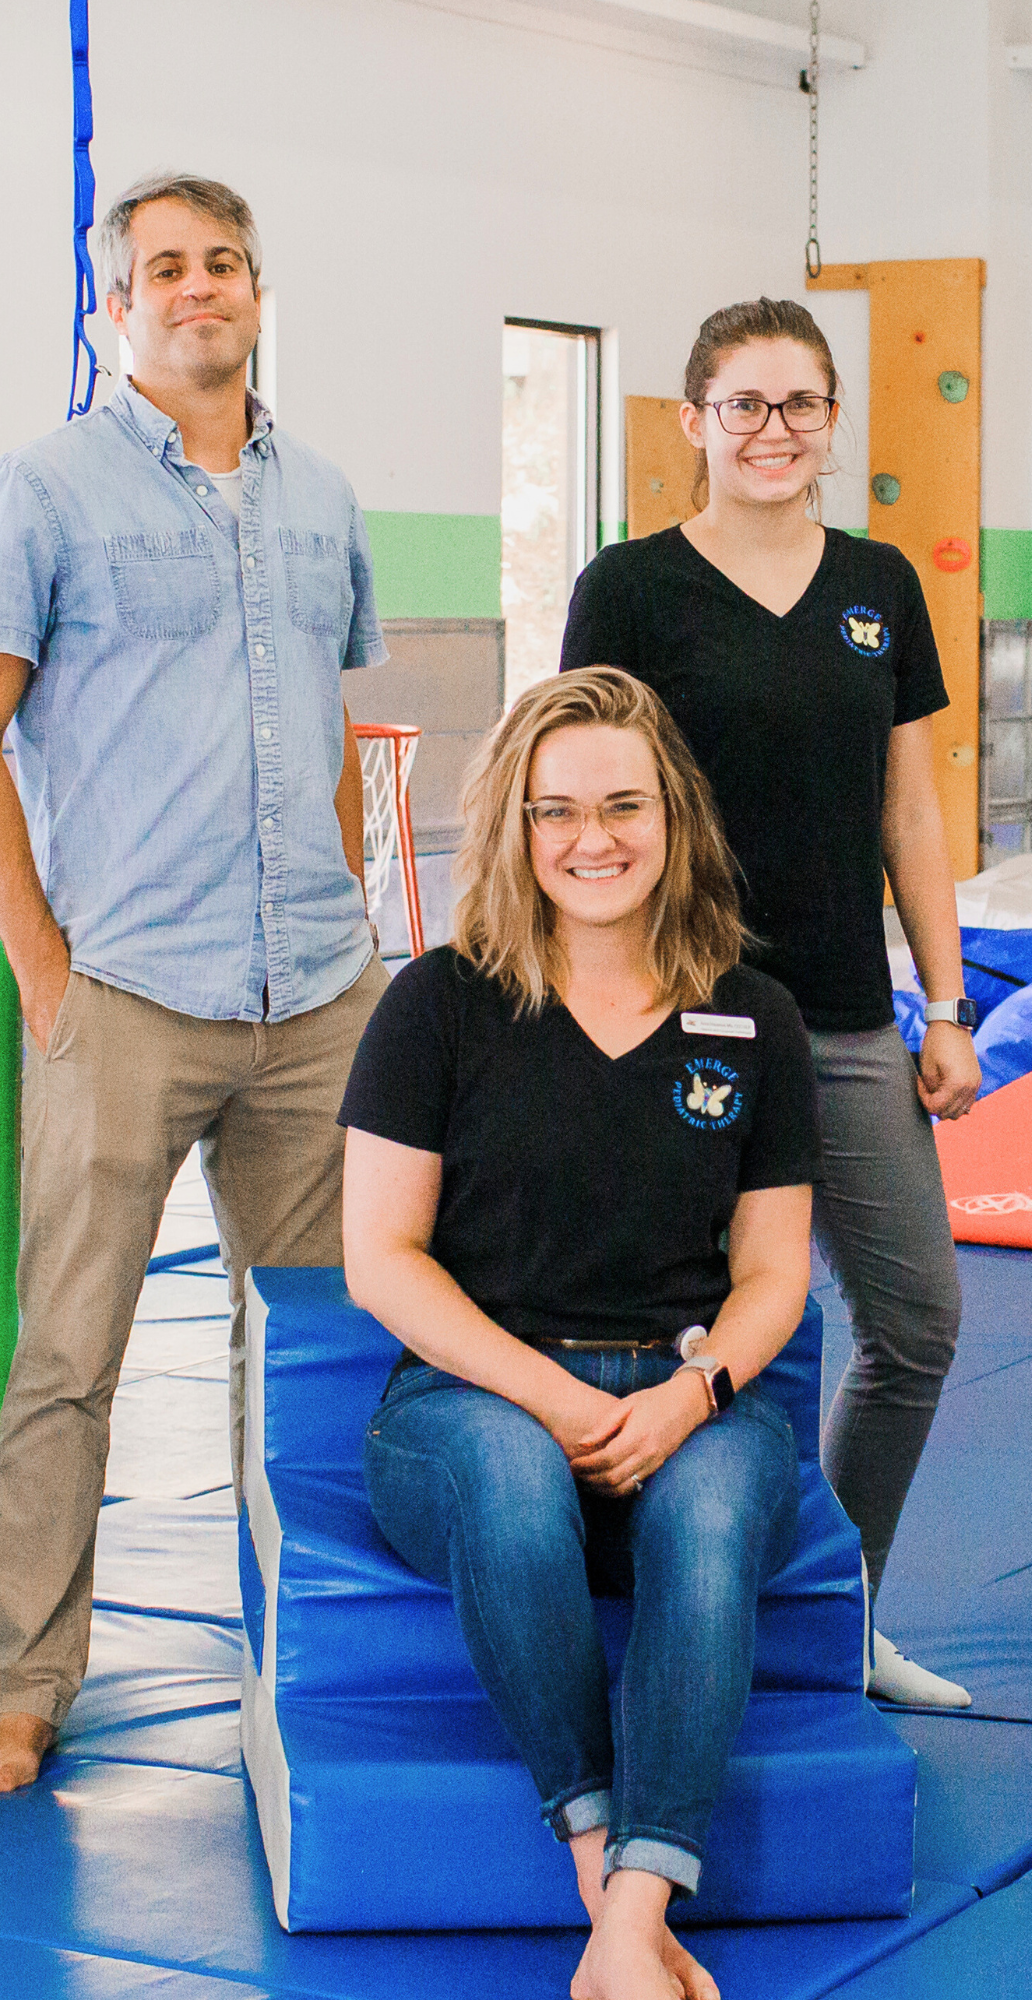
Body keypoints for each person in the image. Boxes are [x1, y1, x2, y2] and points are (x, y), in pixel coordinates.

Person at [341, 668, 817, 2000]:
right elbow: (381, 1260)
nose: (592, 839)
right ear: (513, 825)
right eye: (556, 811)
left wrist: (698, 1391)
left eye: (622, 805)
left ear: (673, 817)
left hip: (685, 1395)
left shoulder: (751, 1016)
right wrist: (551, 1400)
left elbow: (774, 1273)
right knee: (506, 1484)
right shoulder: (437, 1003)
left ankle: (632, 1923)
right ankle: (597, 1857)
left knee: (713, 1522)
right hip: (470, 1404)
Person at [0, 173, 389, 1792]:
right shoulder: (47, 493)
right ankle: (24, 1680)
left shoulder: (327, 495)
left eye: (225, 260)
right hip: (130, 990)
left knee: (317, 1344)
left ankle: (312, 1655)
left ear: (255, 286)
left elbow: (338, 730)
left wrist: (352, 909)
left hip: (314, 992)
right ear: (117, 307)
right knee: (69, 1352)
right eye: (166, 267)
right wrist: (44, 974)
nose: (200, 286)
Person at [561, 298, 979, 1707]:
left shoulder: (877, 584)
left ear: (831, 421)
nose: (774, 430)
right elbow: (580, 806)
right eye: (744, 403)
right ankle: (660, 1625)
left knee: (916, 1321)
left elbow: (911, 808)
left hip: (848, 1017)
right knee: (688, 1325)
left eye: (801, 403)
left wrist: (946, 1003)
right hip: (677, 1009)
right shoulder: (629, 588)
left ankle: (831, 1612)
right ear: (693, 423)